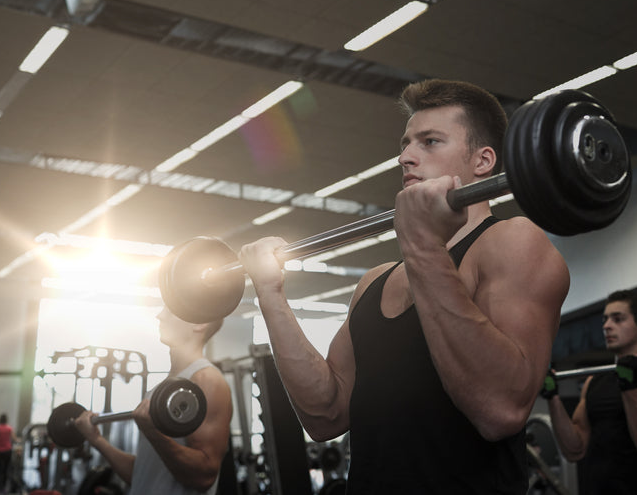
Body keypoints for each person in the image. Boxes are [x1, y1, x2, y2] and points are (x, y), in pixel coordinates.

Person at [239, 78, 570, 493]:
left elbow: (500, 409)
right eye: (406, 143)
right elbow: (324, 415)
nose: (405, 156)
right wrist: (271, 296)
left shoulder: (511, 241)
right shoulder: (374, 282)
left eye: (429, 142)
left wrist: (421, 244)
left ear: (483, 161)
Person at [72, 307, 233, 494]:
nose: (160, 315)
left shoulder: (207, 381)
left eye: (172, 311)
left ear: (199, 323)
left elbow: (204, 476)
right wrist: (97, 440)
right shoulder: (161, 388)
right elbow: (142, 474)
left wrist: (153, 432)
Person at [542, 290, 637, 495]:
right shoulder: (594, 382)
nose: (606, 326)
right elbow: (574, 450)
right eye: (605, 319)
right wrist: (553, 398)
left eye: (618, 319)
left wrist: (630, 388)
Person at [0, 413, 15, 494]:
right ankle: (2, 488)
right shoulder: (9, 428)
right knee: (5, 471)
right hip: (8, 451)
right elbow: (14, 438)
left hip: (0, 451)